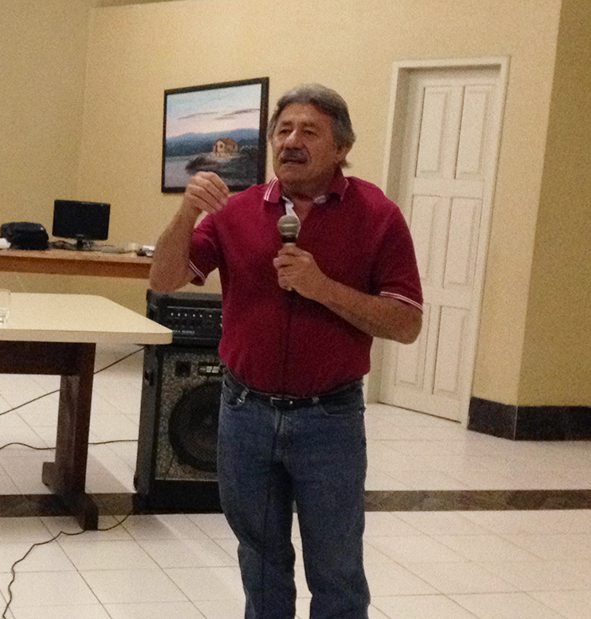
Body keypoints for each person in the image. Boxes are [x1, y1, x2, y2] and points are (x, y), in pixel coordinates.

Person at [149, 84, 423, 619]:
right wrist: (187, 213)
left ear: (342, 148)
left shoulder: (378, 215)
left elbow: (407, 323)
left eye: (309, 131)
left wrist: (322, 287)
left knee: (337, 569)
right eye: (283, 130)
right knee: (260, 563)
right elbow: (163, 278)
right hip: (244, 415)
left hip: (330, 420)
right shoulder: (237, 211)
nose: (292, 141)